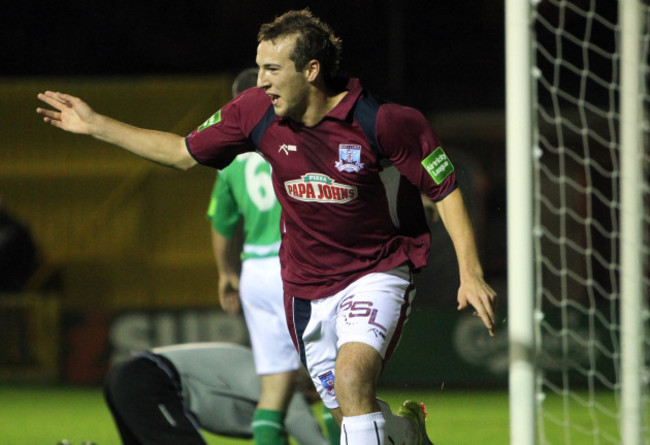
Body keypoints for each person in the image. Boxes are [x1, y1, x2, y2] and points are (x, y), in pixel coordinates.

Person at [36, 9, 497, 444]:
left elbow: (444, 187)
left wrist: (470, 273)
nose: (261, 81)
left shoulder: (385, 121)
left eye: (272, 69)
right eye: (259, 68)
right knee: (347, 410)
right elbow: (179, 153)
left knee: (353, 378)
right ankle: (406, 433)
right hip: (303, 287)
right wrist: (96, 125)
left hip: (377, 271)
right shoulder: (253, 112)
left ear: (311, 70)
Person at [206, 67, 319, 444]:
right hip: (300, 265)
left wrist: (226, 273)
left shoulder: (231, 159)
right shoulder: (292, 139)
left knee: (274, 391)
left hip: (255, 272)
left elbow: (221, 222)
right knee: (339, 381)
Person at [103, 342, 332, 444]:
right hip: (150, 376)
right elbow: (311, 438)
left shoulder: (264, 372)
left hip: (130, 375)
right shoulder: (282, 380)